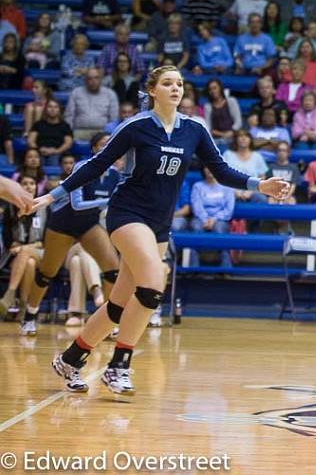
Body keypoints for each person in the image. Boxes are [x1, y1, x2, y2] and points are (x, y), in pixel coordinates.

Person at [35, 65, 290, 396]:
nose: (176, 88)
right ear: (152, 90)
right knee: (154, 284)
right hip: (127, 214)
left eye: (180, 84)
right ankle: (118, 366)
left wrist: (261, 185)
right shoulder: (136, 126)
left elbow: (222, 170)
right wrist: (50, 195)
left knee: (118, 304)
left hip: (159, 222)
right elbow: (96, 165)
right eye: (168, 83)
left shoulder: (194, 129)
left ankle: (71, 358)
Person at [17, 132, 121, 337]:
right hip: (64, 223)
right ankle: (29, 316)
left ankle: (106, 322)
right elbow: (77, 204)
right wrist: (107, 203)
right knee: (47, 273)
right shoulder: (82, 167)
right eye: (101, 144)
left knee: (113, 270)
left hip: (89, 225)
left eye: (110, 145)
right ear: (93, 149)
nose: (106, 148)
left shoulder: (115, 175)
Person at [0, 175, 48, 317]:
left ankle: (10, 294)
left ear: (36, 186)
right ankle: (24, 308)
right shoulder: (10, 209)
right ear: (18, 188)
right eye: (25, 183)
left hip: (41, 252)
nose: (29, 186)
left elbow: (46, 239)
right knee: (29, 263)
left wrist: (25, 247)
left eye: (32, 183)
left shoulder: (45, 208)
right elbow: (8, 238)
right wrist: (17, 246)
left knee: (27, 253)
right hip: (16, 254)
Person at [28, 98, 73, 167]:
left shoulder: (65, 126)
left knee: (54, 159)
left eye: (55, 107)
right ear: (46, 109)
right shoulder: (38, 124)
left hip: (57, 153)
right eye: (50, 107)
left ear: (59, 110)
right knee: (36, 158)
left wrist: (56, 151)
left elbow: (68, 143)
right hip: (40, 152)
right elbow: (31, 141)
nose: (53, 109)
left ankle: (53, 177)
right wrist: (39, 150)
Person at [202, 78, 242, 143]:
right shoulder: (207, 106)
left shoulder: (231, 101)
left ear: (220, 88)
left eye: (215, 88)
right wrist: (221, 134)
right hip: (216, 137)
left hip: (233, 135)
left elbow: (238, 121)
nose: (213, 91)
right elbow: (208, 125)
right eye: (210, 89)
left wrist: (232, 131)